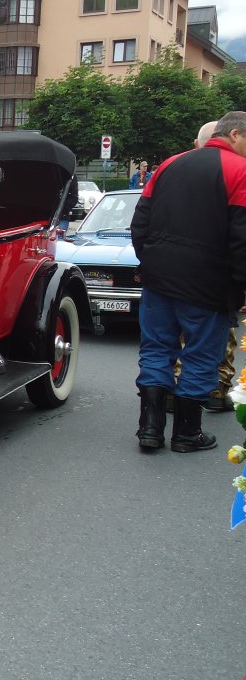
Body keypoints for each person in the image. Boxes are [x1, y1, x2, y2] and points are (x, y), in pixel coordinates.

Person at [131, 111, 246, 453]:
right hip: (208, 284)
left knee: (156, 349)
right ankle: (187, 433)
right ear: (236, 135)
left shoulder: (169, 165)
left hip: (159, 278)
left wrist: (150, 261)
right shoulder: (240, 171)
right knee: (200, 356)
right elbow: (242, 240)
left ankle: (149, 429)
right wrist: (240, 288)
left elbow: (140, 221)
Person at [169, 121, 237, 413]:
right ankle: (213, 391)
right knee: (216, 336)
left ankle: (172, 392)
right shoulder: (235, 171)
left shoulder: (174, 168)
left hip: (172, 270)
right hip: (215, 272)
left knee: (174, 336)